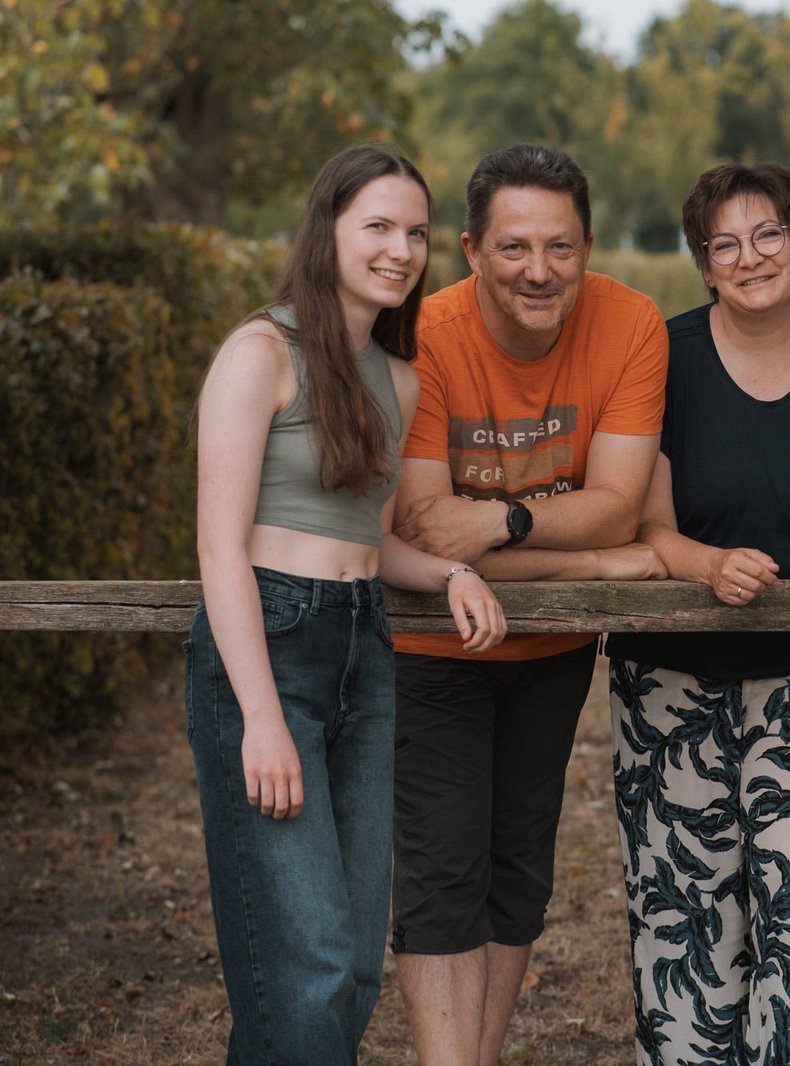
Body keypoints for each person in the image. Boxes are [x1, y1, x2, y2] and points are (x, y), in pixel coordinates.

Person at [187, 143, 506, 1066]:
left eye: (414, 231)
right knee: (312, 959)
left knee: (357, 961)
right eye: (377, 226)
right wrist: (258, 716)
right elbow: (219, 545)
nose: (400, 250)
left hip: (364, 647)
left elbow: (370, 540)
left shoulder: (398, 378)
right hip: (270, 648)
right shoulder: (258, 352)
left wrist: (451, 574)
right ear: (326, 230)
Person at [604, 162, 790, 1065]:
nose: (749, 256)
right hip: (671, 681)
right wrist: (706, 565)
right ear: (702, 264)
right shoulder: (664, 359)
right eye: (723, 243)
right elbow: (646, 523)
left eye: (768, 235)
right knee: (684, 909)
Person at [385, 143, 669, 1066]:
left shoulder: (631, 324)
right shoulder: (423, 334)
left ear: (588, 246)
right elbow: (426, 539)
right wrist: (590, 562)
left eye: (559, 247)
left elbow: (620, 504)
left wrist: (500, 521)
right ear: (470, 250)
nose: (537, 271)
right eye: (513, 248)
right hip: (431, 643)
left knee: (518, 871)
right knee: (441, 872)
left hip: (548, 649)